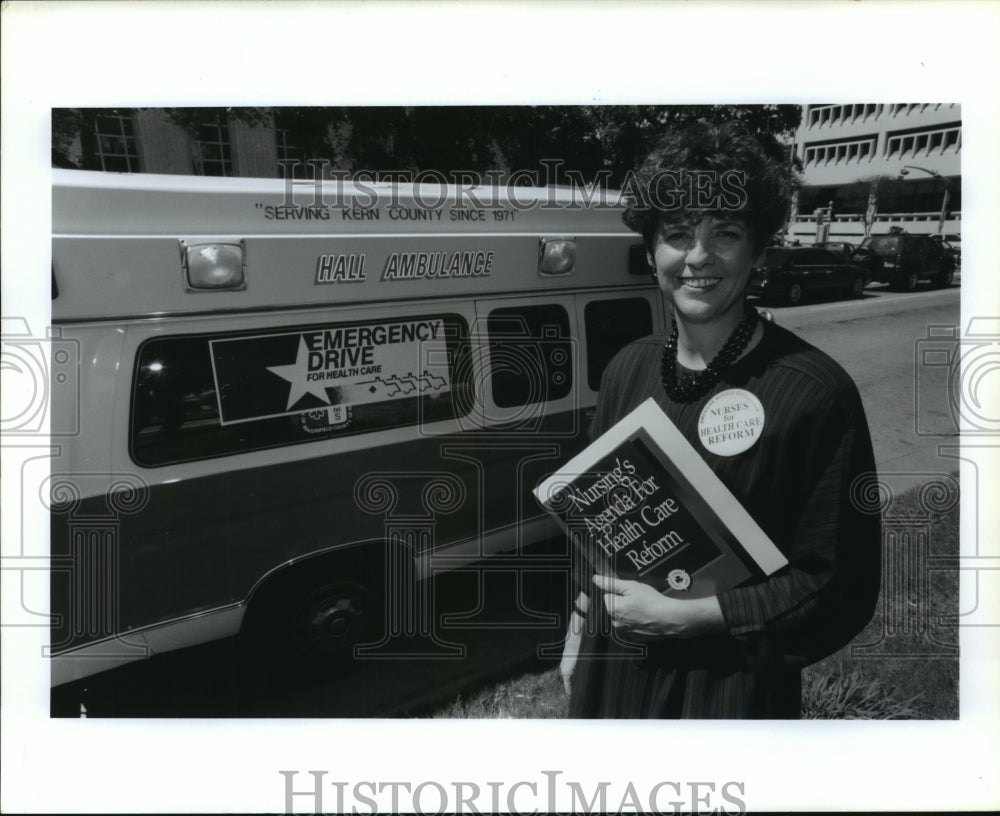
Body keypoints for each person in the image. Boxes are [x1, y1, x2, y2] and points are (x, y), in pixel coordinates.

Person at [560, 123, 881, 718]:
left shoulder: (814, 394)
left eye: (725, 233)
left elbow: (839, 584)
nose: (698, 257)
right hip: (612, 676)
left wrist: (697, 618)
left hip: (725, 689)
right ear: (652, 249)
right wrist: (581, 622)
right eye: (678, 233)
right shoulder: (627, 370)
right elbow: (599, 525)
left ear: (758, 250)